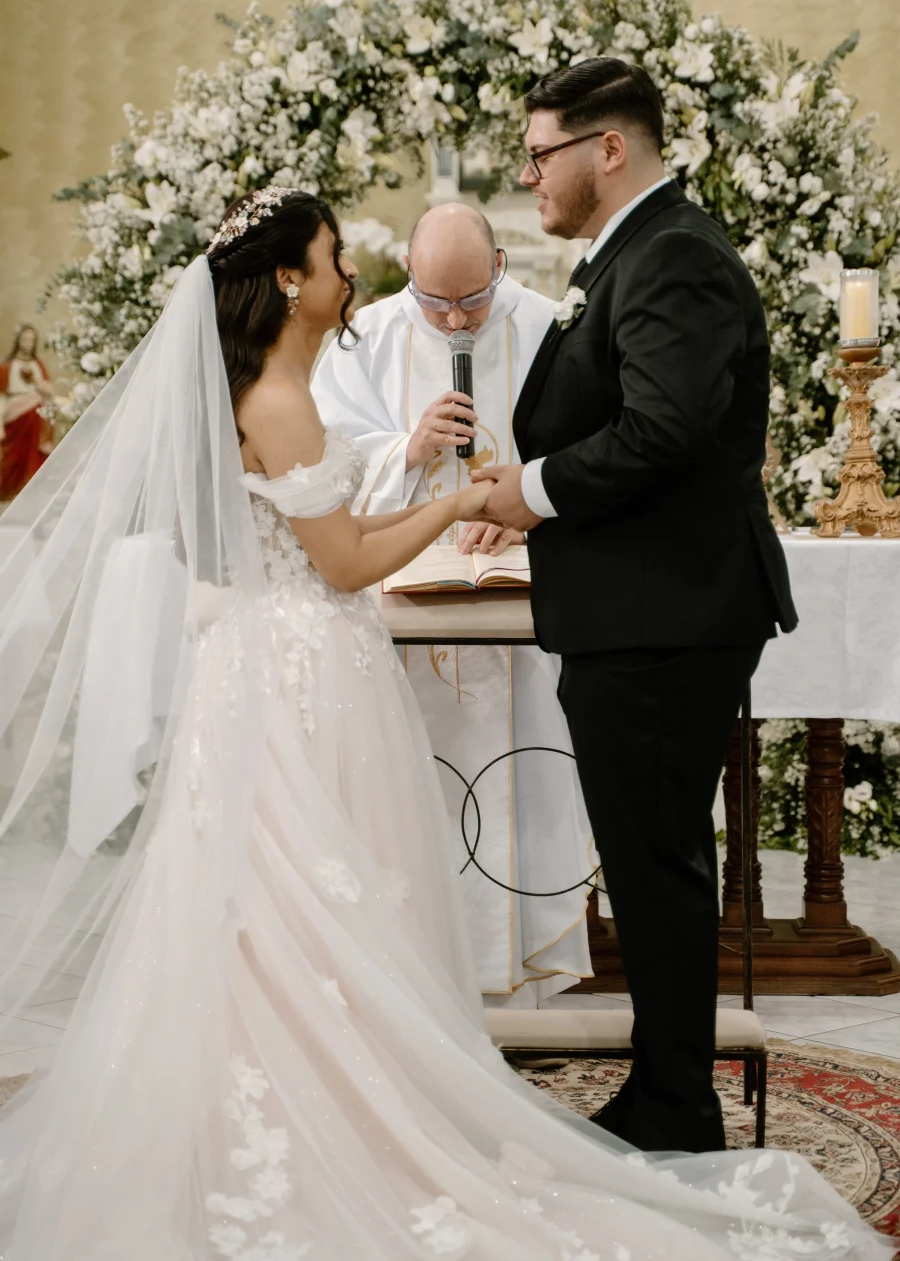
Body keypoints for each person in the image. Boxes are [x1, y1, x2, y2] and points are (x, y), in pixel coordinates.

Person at [0, 187, 885, 1260]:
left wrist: (424, 494)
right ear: (289, 279)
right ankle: (297, 1114)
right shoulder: (279, 395)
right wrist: (460, 504)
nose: (350, 278)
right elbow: (345, 562)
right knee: (289, 903)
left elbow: (330, 524)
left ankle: (300, 1090)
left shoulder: (280, 381)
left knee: (289, 906)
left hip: (295, 663)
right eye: (334, 258)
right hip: (293, 676)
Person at [473, 57, 799, 1155]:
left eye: (539, 154)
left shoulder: (672, 260)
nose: (530, 178)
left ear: (607, 149)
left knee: (658, 867)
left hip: (665, 618)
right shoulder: (640, 252)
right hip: (644, 611)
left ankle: (676, 1107)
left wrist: (529, 492)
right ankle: (669, 1091)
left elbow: (661, 431)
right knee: (654, 863)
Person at [313, 202, 595, 1004]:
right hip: (403, 597)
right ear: (411, 279)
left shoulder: (548, 326)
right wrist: (409, 445)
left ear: (500, 263)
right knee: (411, 796)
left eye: (474, 296)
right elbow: (325, 463)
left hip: (518, 596)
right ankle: (422, 992)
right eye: (438, 302)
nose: (459, 318)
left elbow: (584, 454)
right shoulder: (364, 338)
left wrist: (530, 509)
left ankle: (523, 989)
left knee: (524, 777)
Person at [0, 324, 54, 501]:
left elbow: (48, 390)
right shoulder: (7, 366)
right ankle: (10, 498)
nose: (28, 344)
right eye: (25, 339)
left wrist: (37, 383)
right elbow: (1, 396)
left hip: (36, 420)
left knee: (34, 459)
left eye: (31, 340)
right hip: (15, 418)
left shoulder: (38, 365)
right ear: (17, 340)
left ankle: (31, 499)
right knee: (13, 459)